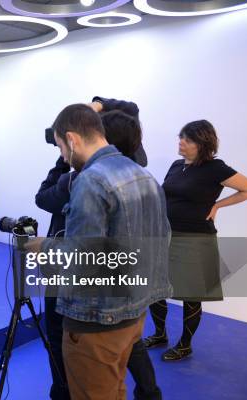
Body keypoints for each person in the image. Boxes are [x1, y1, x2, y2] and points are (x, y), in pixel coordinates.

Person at [35, 104, 171, 400]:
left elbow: (80, 261)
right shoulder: (142, 175)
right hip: (134, 312)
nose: (61, 156)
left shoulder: (91, 181)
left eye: (59, 146)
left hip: (95, 321)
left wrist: (39, 248)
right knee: (116, 388)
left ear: (71, 139)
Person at [144, 120, 247, 361]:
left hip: (195, 238)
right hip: (165, 234)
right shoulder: (177, 166)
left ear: (202, 144)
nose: (181, 142)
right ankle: (159, 334)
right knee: (155, 287)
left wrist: (218, 205)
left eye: (187, 139)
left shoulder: (215, 168)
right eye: (181, 137)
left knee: (191, 293)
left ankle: (185, 344)